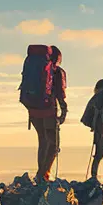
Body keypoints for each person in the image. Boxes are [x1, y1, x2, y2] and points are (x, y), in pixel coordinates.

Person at [24, 47, 67, 183]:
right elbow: (60, 94)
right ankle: (43, 175)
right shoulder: (57, 71)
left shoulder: (34, 68)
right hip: (49, 110)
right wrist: (64, 111)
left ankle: (41, 173)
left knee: (43, 141)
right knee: (53, 145)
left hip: (34, 110)